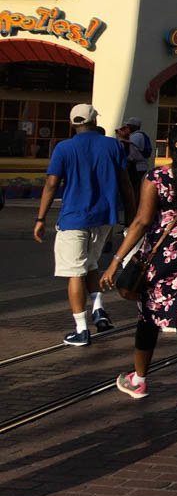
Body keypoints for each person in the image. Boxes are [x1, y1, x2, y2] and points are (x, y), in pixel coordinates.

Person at [101, 123, 177, 413]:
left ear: (170, 148)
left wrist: (116, 261)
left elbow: (141, 222)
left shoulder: (156, 177)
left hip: (160, 257)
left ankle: (139, 380)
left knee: (149, 318)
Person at [33, 103, 135, 346]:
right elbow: (125, 182)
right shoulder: (113, 145)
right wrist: (131, 216)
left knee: (75, 273)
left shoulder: (64, 148)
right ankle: (98, 309)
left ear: (72, 123)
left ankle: (81, 330)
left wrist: (40, 218)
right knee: (91, 264)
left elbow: (51, 184)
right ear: (95, 121)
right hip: (105, 217)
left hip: (74, 218)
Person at [123, 116, 154, 191]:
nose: (127, 127)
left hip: (137, 166)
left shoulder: (135, 137)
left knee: (133, 186)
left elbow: (130, 152)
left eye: (128, 125)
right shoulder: (142, 135)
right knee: (136, 185)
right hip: (142, 166)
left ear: (133, 126)